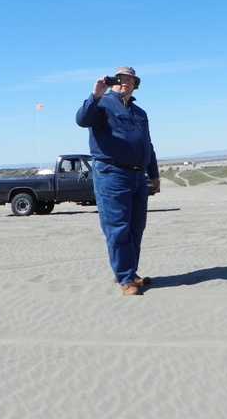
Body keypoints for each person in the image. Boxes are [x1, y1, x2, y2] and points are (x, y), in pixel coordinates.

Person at [76, 66, 161, 296]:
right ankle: (124, 278)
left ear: (135, 84)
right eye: (121, 79)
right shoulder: (102, 104)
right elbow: (82, 120)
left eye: (130, 80)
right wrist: (95, 95)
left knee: (136, 227)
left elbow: (148, 145)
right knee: (118, 227)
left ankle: (131, 273)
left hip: (137, 176)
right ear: (113, 82)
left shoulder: (139, 112)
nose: (126, 82)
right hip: (112, 175)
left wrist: (154, 174)